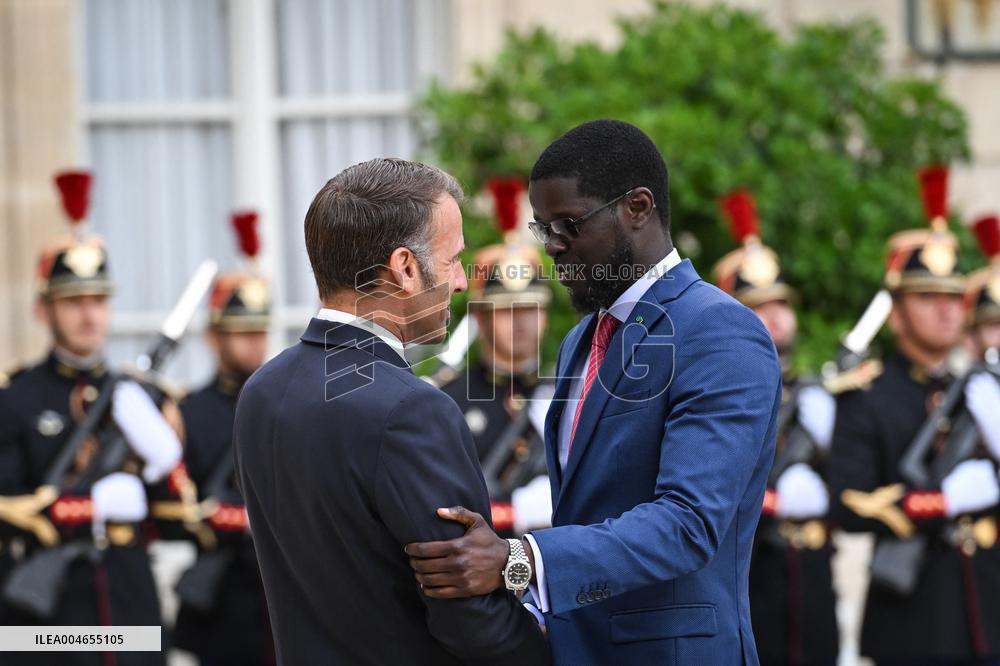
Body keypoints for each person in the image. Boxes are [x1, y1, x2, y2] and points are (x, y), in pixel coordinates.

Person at [404, 120, 782, 665]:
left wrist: (521, 558)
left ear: (638, 208)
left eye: (569, 224)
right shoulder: (584, 337)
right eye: (543, 228)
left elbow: (689, 523)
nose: (553, 246)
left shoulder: (719, 330)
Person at [232, 158, 548, 665]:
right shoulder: (413, 409)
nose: (462, 283)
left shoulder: (264, 389)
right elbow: (471, 618)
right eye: (451, 261)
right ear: (405, 269)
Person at [0, 170, 192, 666]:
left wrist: (163, 463)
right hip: (48, 619)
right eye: (74, 301)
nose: (90, 315)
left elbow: (179, 514)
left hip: (130, 599)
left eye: (98, 301)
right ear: (44, 310)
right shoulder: (16, 397)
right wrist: (87, 507)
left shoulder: (140, 395)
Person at [828, 167, 1000, 665]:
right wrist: (939, 501)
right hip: (916, 626)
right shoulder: (868, 395)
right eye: (928, 298)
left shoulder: (982, 391)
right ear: (896, 312)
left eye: (953, 299)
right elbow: (847, 501)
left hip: (990, 614)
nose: (947, 311)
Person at [714, 189, 839, 666]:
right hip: (748, 579)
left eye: (781, 303)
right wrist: (774, 501)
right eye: (759, 305)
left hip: (812, 581)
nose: (777, 317)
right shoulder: (713, 391)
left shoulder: (816, 393)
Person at [172, 211, 274, 666]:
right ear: (214, 338)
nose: (255, 344)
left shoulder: (282, 404)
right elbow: (176, 508)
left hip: (278, 598)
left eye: (260, 332)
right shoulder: (188, 412)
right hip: (222, 599)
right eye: (241, 333)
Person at [438, 181, 554, 538]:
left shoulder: (569, 393)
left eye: (529, 308)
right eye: (506, 310)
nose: (520, 321)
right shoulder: (448, 400)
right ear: (481, 319)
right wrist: (513, 512)